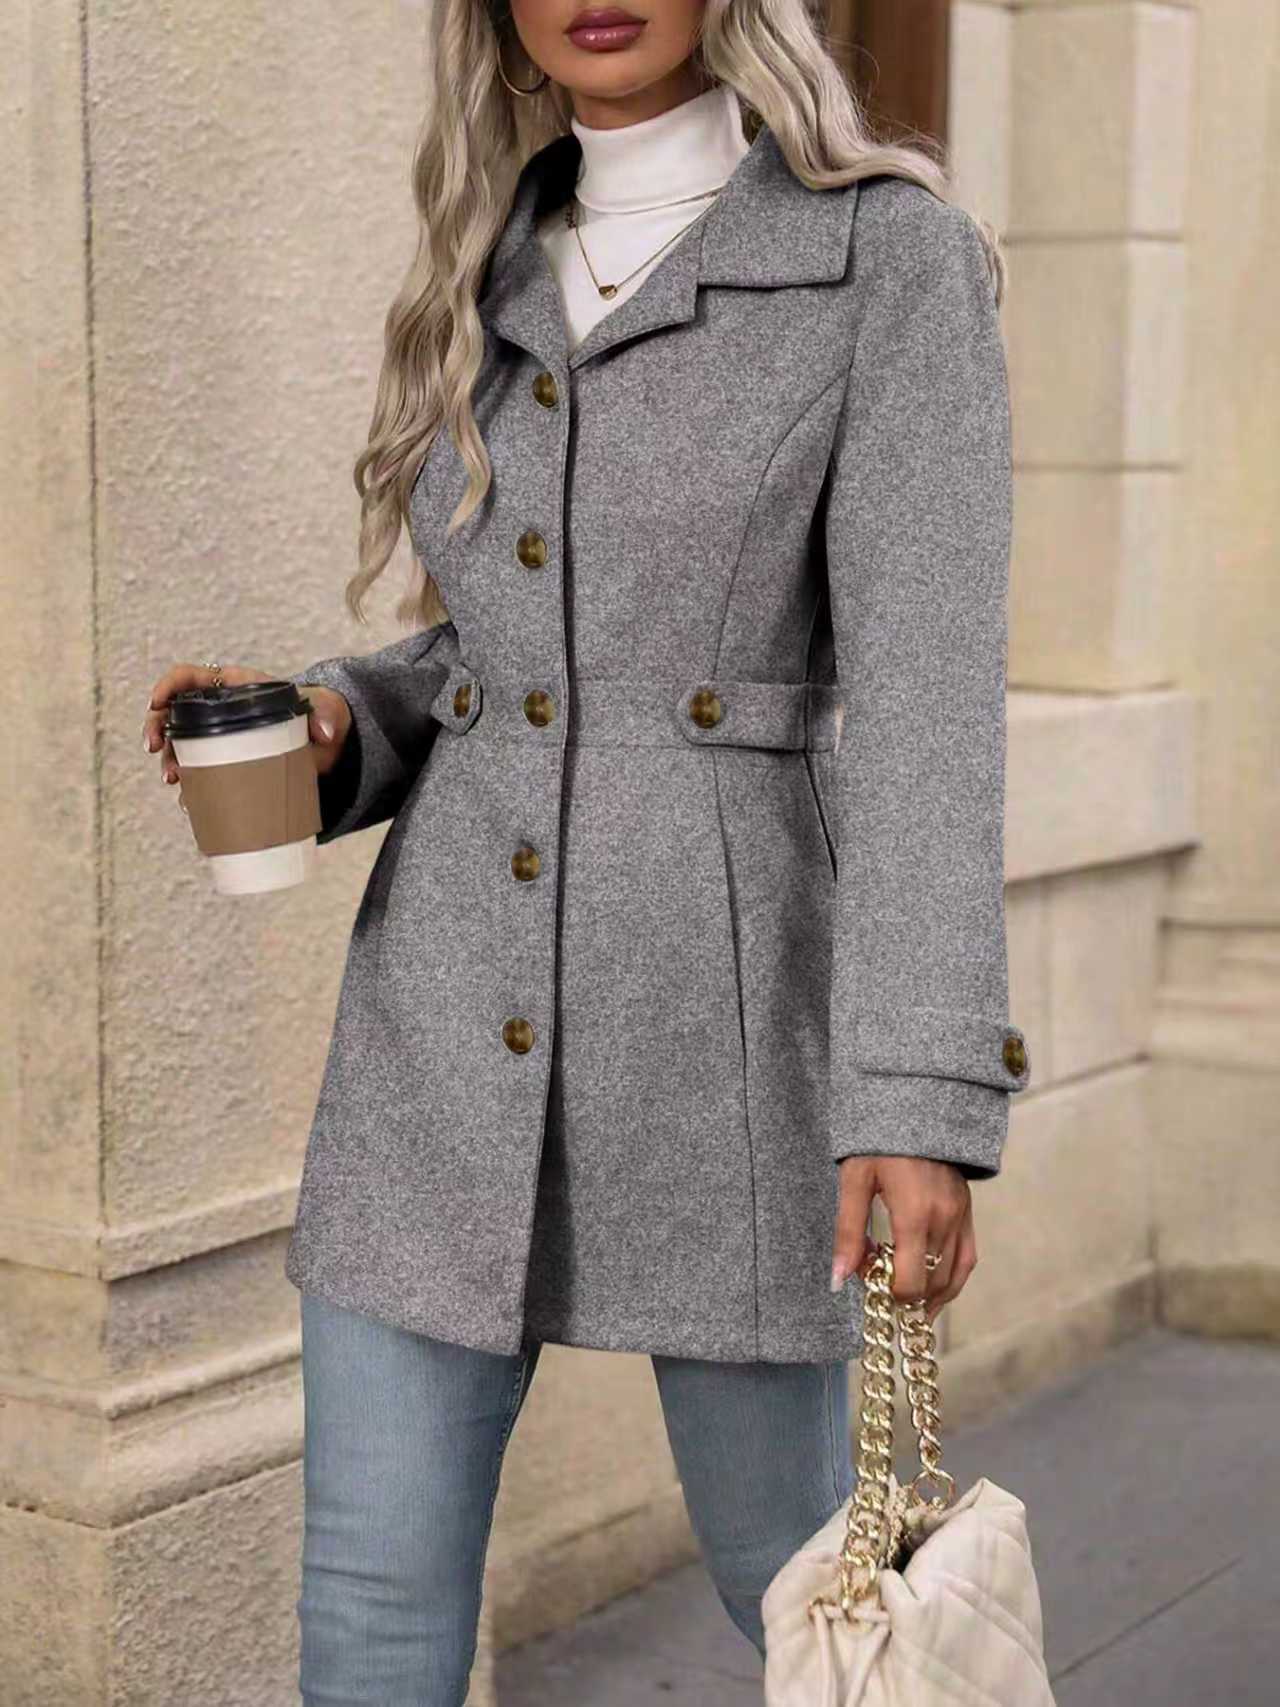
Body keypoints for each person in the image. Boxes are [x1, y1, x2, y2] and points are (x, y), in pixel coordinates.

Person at [143, 2, 1031, 1700]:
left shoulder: (887, 263)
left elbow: (930, 712)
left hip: (731, 1032)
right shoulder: (485, 262)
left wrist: (917, 1099)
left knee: (820, 1598)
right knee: (371, 1609)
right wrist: (341, 725)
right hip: (435, 1039)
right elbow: (509, 662)